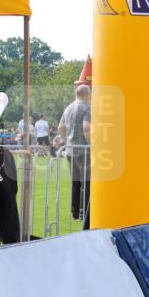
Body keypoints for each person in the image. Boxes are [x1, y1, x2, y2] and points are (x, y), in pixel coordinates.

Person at [58, 85, 92, 225]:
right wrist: (91, 144)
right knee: (87, 182)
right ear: (86, 95)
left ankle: (75, 212)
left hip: (70, 150)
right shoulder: (87, 108)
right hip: (84, 150)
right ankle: (84, 211)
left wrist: (65, 140)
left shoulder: (68, 108)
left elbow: (61, 127)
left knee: (75, 182)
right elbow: (86, 128)